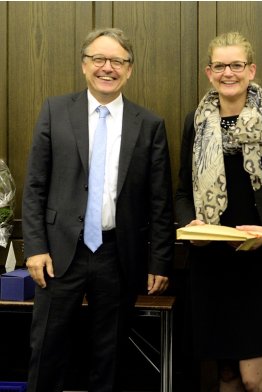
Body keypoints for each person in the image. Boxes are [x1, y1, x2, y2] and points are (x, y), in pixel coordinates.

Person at [22, 28, 175, 392]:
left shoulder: (149, 124)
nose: (108, 68)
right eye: (99, 59)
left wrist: (160, 262)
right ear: (84, 65)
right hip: (59, 254)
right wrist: (35, 247)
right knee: (47, 350)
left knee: (110, 357)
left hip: (118, 256)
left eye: (117, 61)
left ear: (130, 70)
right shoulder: (54, 111)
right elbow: (35, 186)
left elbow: (160, 201)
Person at [175, 31, 262, 392]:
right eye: (220, 66)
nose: (228, 73)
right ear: (208, 72)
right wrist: (191, 227)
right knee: (226, 376)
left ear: (251, 70)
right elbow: (181, 192)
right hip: (211, 264)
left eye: (236, 65)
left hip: (261, 264)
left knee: (255, 378)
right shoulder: (196, 122)